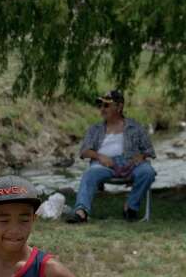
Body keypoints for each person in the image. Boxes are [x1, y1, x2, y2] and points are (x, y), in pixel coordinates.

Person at [64, 90, 156, 223]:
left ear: (119, 107)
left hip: (131, 164)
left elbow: (149, 150)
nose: (102, 109)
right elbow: (84, 151)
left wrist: (141, 156)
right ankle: (81, 212)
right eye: (100, 105)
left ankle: (130, 206)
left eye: (106, 105)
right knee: (90, 173)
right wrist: (99, 156)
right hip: (104, 165)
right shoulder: (95, 129)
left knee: (148, 172)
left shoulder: (135, 127)